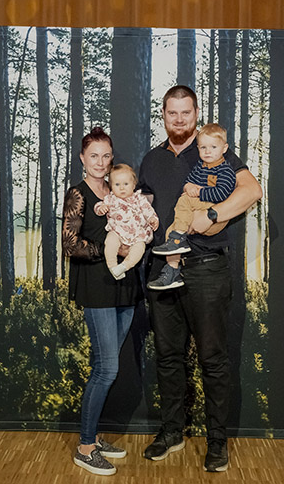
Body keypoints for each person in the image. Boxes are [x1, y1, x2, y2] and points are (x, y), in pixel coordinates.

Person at [138, 86, 262, 472]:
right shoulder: (151, 159)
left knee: (212, 358)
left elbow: (252, 190)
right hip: (162, 268)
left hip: (207, 268)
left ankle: (217, 441)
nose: (179, 119)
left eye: (186, 112)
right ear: (163, 115)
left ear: (196, 113)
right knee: (167, 356)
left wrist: (211, 215)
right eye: (172, 113)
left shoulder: (211, 149)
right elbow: (143, 205)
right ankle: (172, 431)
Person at [62, 127, 143, 476]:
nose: (100, 162)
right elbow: (70, 244)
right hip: (96, 288)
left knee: (104, 365)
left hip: (124, 287)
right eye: (93, 155)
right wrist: (116, 250)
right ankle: (85, 447)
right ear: (83, 158)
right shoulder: (77, 194)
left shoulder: (118, 190)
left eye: (106, 155)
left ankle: (92, 437)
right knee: (107, 368)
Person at [148, 123, 236, 290]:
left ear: (224, 148)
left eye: (213, 147)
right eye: (203, 147)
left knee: (185, 201)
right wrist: (188, 187)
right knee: (170, 230)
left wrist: (199, 191)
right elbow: (190, 182)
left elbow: (222, 194)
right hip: (197, 210)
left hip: (215, 213)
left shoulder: (225, 171)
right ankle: (172, 271)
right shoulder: (200, 166)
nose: (208, 151)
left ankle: (178, 238)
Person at [94, 163, 159, 280]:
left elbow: (148, 210)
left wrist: (152, 219)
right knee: (110, 242)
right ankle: (112, 266)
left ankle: (124, 266)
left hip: (137, 234)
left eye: (126, 184)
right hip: (117, 232)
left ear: (133, 185)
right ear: (111, 186)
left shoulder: (139, 199)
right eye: (117, 184)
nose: (122, 188)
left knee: (139, 248)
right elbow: (98, 206)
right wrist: (101, 208)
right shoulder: (111, 199)